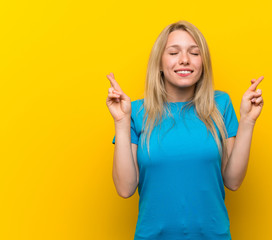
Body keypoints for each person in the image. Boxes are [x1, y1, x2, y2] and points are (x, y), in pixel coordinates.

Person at [106, 20, 264, 240]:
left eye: (194, 53)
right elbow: (125, 189)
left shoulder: (221, 105)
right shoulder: (135, 111)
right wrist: (121, 123)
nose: (184, 60)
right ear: (159, 63)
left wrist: (247, 121)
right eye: (173, 52)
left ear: (203, 63)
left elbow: (233, 181)